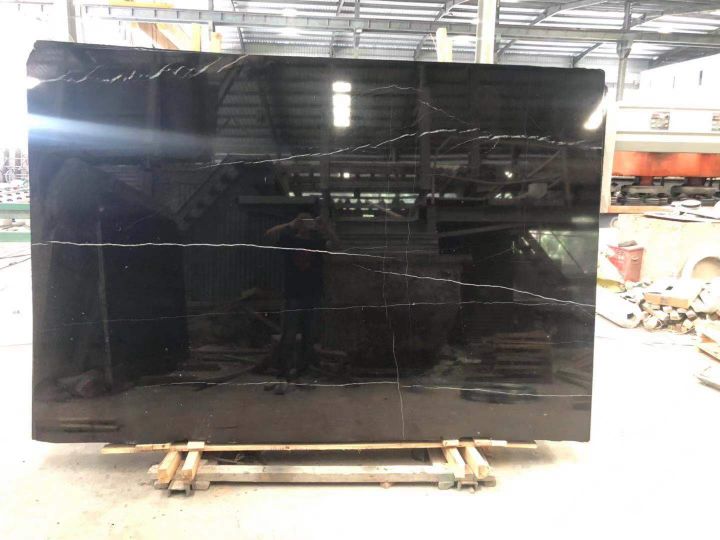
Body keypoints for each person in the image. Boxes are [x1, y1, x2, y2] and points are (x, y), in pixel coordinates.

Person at [265, 213, 339, 393]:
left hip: (312, 295)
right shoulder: (289, 240)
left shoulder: (317, 241)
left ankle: (300, 374)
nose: (307, 225)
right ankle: (283, 374)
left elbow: (337, 246)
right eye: (304, 222)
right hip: (294, 295)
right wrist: (290, 224)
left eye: (309, 222)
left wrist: (326, 228)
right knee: (289, 336)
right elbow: (269, 234)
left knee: (309, 337)